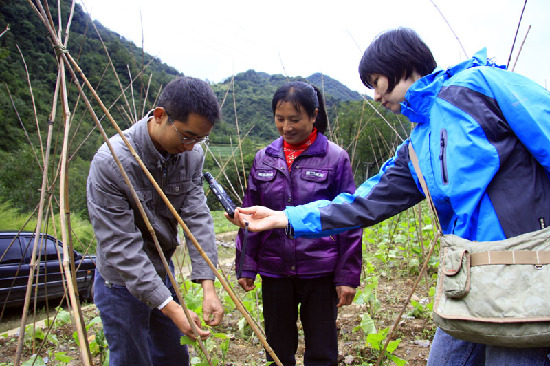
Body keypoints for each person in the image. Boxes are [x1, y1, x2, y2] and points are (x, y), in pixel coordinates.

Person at [228, 28, 550, 365]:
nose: (376, 96)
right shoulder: (417, 144)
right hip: (467, 279)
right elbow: (365, 201)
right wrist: (286, 217)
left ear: (404, 65)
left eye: (376, 81)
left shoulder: (480, 87)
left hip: (520, 274)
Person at [87, 76, 224, 366]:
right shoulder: (111, 163)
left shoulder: (191, 155)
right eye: (186, 136)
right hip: (121, 281)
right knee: (131, 359)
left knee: (174, 356)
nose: (191, 147)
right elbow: (120, 246)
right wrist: (170, 306)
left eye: (199, 139)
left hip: (162, 269)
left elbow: (197, 215)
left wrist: (208, 285)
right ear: (160, 116)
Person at [234, 81, 362, 366]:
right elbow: (251, 215)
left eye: (295, 119)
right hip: (275, 270)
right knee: (277, 348)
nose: (286, 127)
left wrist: (347, 276)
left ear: (314, 115)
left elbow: (350, 218)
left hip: (320, 270)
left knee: (322, 349)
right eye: (280, 119)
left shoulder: (335, 158)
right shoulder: (264, 158)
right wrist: (246, 264)